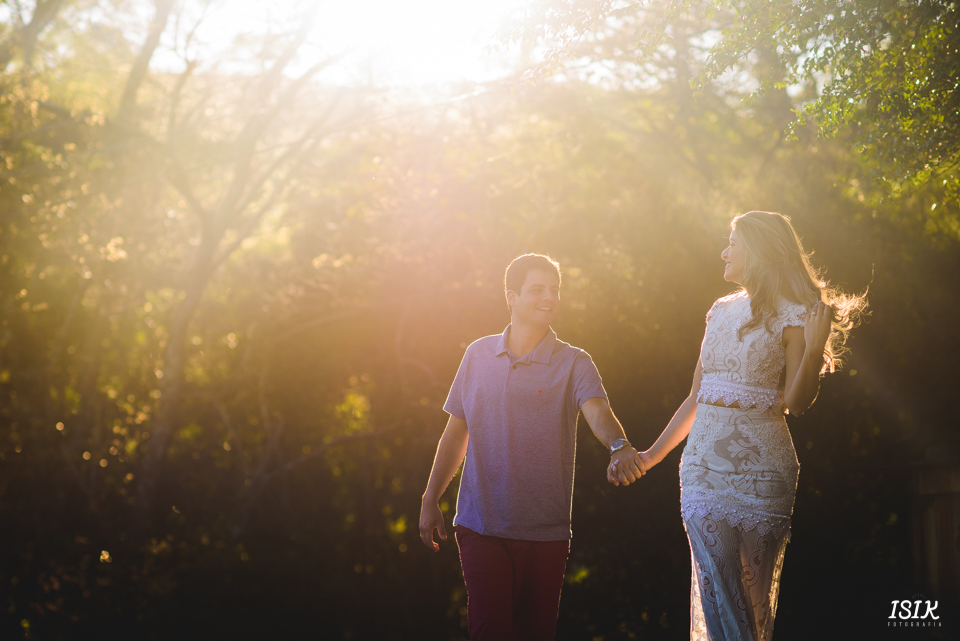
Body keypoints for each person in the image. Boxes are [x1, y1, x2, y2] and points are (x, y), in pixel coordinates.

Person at [636, 211, 866, 641]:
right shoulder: (719, 311)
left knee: (752, 598)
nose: (724, 251)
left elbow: (798, 404)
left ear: (758, 252)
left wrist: (815, 348)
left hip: (763, 471)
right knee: (717, 584)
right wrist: (650, 457)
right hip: (702, 468)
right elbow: (695, 398)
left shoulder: (797, 316)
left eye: (732, 243)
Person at [418, 253, 645, 641]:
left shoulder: (574, 362)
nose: (549, 298)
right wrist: (429, 498)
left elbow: (599, 411)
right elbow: (456, 433)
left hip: (546, 532)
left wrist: (620, 445)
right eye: (537, 289)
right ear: (512, 296)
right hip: (480, 525)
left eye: (555, 290)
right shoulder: (477, 355)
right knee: (490, 631)